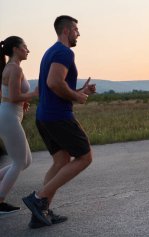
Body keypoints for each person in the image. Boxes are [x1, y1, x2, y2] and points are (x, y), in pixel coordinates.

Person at [22, 15, 96, 228]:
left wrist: (80, 91)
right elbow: (54, 82)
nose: (78, 34)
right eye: (76, 30)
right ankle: (39, 199)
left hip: (44, 116)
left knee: (61, 161)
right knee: (85, 156)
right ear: (66, 31)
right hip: (58, 116)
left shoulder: (50, 52)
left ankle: (40, 213)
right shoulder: (64, 52)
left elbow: (55, 85)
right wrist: (77, 97)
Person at [0, 36, 38, 213]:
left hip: (9, 114)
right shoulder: (14, 69)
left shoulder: (11, 68)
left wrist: (23, 102)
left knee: (25, 161)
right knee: (19, 161)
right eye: (25, 46)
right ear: (16, 49)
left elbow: (10, 96)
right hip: (8, 116)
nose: (28, 50)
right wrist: (34, 93)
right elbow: (14, 96)